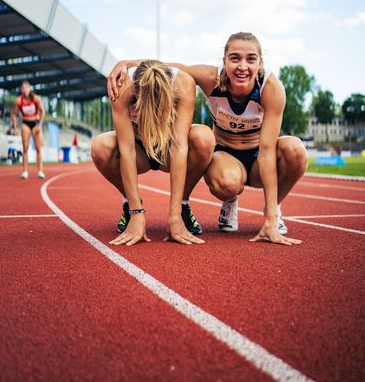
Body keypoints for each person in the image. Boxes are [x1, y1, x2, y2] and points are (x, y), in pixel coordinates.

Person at [107, 32, 308, 246]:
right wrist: (125, 63)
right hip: (225, 154)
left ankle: (274, 209)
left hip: (258, 154)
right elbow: (166, 67)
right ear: (224, 61)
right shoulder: (210, 79)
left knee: (295, 149)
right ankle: (230, 201)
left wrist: (270, 219)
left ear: (260, 63)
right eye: (235, 58)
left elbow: (267, 152)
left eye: (250, 59)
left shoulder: (271, 89)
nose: (242, 66)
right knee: (228, 182)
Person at [91, 60, 214, 246]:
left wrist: (174, 216)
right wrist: (136, 213)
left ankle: (183, 205)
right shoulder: (122, 86)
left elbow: (179, 147)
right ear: (136, 94)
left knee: (204, 137)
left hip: (167, 149)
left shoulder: (184, 83)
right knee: (101, 146)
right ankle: (130, 201)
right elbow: (127, 149)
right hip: (139, 148)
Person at [12, 81, 45, 179]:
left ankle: (40, 171)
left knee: (38, 148)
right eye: (23, 88)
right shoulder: (18, 101)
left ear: (30, 88)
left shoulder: (35, 98)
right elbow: (14, 114)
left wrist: (40, 124)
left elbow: (43, 111)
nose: (25, 90)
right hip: (25, 123)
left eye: (27, 88)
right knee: (25, 147)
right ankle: (25, 171)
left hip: (35, 123)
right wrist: (15, 127)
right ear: (21, 90)